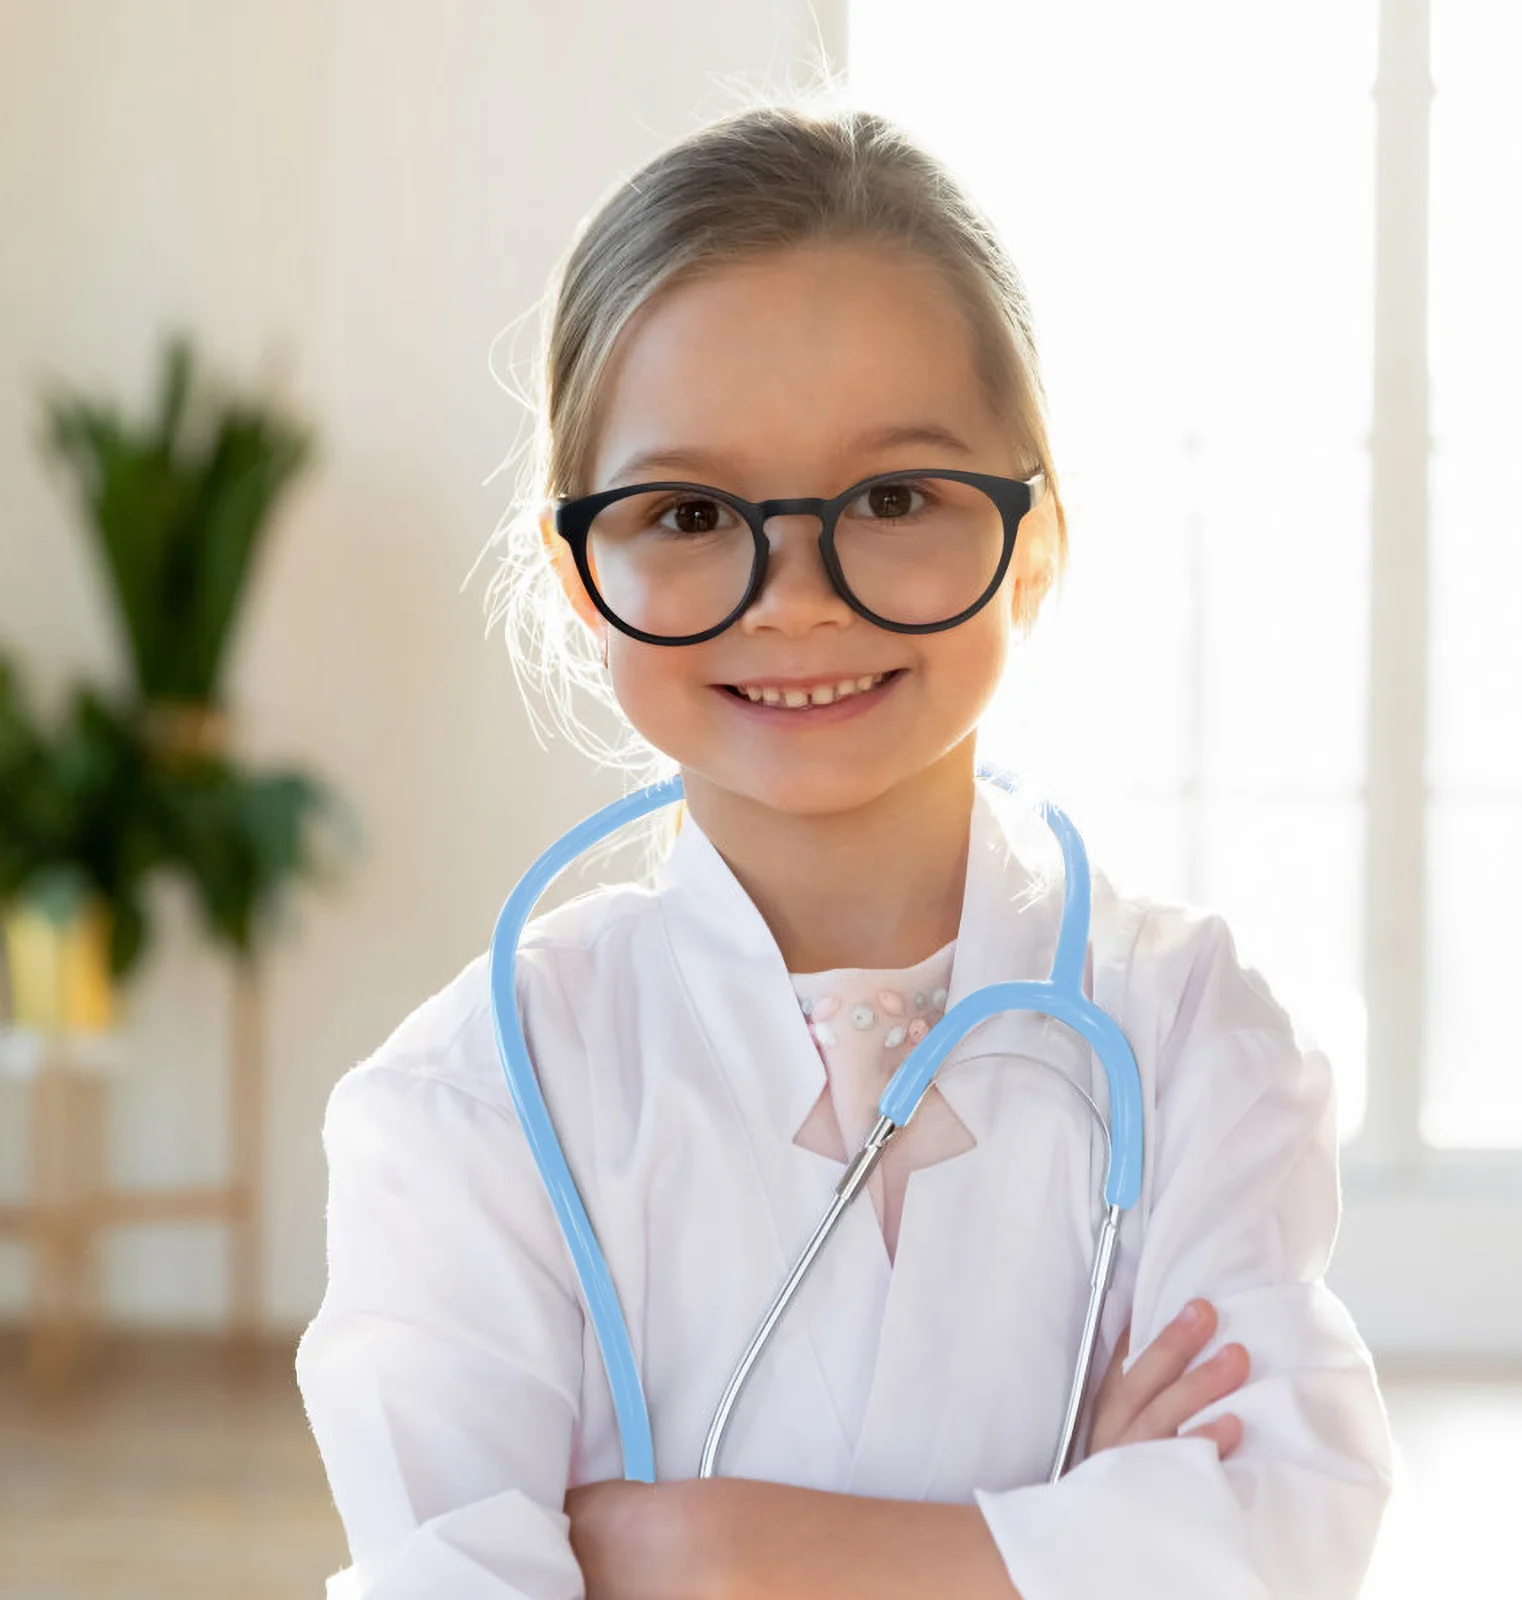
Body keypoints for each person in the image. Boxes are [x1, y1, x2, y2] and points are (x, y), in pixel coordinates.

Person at [296, 102, 1393, 1599]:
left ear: (1037, 535)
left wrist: (702, 1554)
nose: (797, 596)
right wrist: (1065, 1544)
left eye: (892, 498)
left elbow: (1277, 1537)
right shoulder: (475, 1100)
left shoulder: (1194, 1031)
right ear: (580, 574)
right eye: (691, 511)